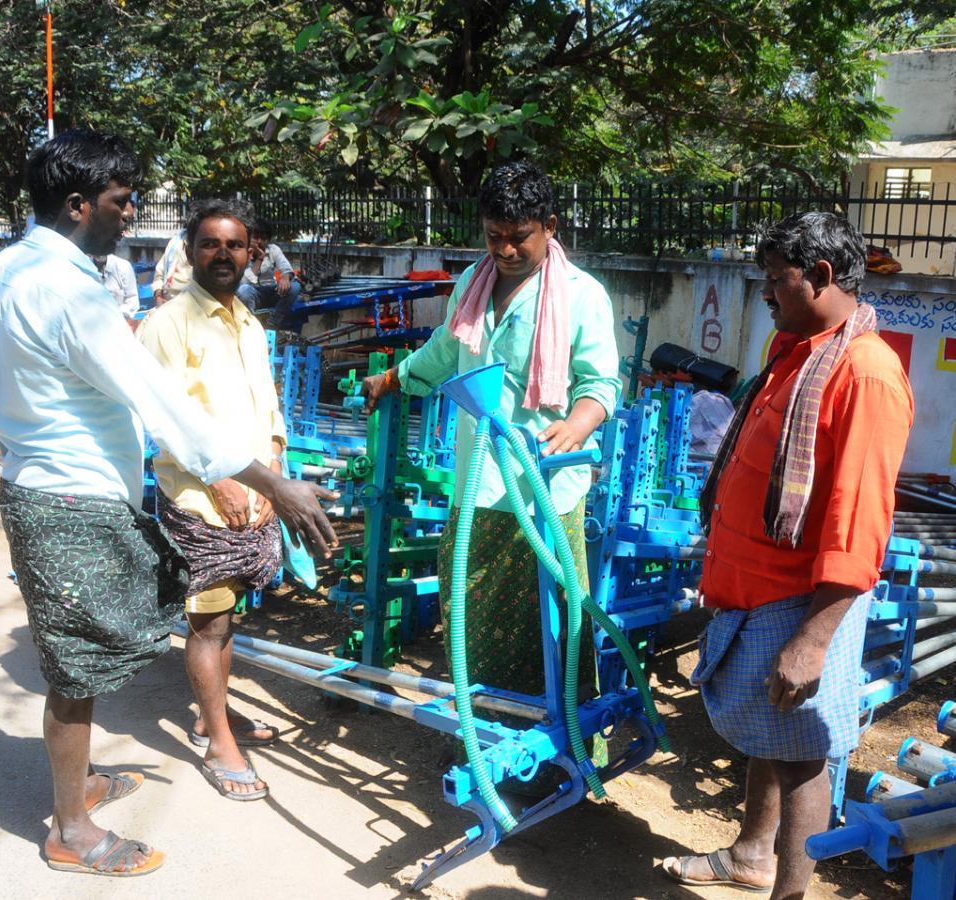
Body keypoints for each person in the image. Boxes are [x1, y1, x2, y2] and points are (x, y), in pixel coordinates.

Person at [0, 130, 337, 877]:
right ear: (78, 204)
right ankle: (70, 830)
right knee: (77, 671)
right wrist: (274, 485)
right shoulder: (73, 292)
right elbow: (162, 404)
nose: (128, 213)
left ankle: (78, 784)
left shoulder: (2, 269)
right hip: (69, 500)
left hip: (39, 485)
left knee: (90, 658)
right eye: (118, 200)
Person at [662, 213, 913, 898]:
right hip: (752, 589)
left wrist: (812, 639)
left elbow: (858, 520)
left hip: (799, 601)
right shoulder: (797, 345)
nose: (765, 293)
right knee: (768, 738)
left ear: (821, 277)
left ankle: (789, 895)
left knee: (802, 756)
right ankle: (750, 854)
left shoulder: (864, 373)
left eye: (776, 281)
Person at [362, 161, 620, 712]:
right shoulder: (470, 285)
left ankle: (559, 746)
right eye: (494, 237)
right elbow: (446, 349)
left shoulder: (583, 295)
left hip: (545, 491)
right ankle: (480, 733)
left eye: (518, 238)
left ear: (550, 226)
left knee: (553, 622)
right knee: (470, 614)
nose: (504, 251)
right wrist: (393, 377)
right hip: (477, 485)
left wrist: (579, 422)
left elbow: (601, 383)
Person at [137, 199, 286, 802]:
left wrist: (273, 470)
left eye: (235, 245)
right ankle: (222, 744)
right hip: (203, 502)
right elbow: (164, 417)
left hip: (253, 501)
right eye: (210, 244)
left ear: (251, 252)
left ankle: (210, 714)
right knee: (208, 624)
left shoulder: (248, 322)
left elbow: (267, 404)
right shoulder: (168, 324)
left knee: (230, 619)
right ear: (191, 250)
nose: (223, 255)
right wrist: (222, 481)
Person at [236, 220, 300, 325]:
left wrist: (285, 277)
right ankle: (250, 324)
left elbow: (285, 267)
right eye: (255, 238)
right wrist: (259, 258)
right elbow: (243, 283)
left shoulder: (273, 250)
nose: (259, 242)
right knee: (243, 290)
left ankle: (273, 322)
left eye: (264, 239)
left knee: (295, 287)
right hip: (251, 295)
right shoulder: (241, 253)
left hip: (271, 292)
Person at [91, 252, 140, 320]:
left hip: (119, 320)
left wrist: (115, 316)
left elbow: (132, 299)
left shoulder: (123, 266)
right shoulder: (83, 268)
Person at [151, 228, 193, 305]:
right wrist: (158, 296)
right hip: (167, 303)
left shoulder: (205, 250)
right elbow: (159, 275)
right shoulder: (175, 243)